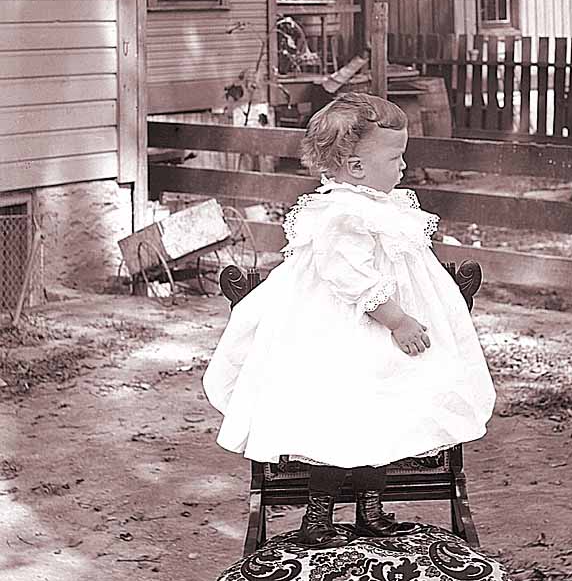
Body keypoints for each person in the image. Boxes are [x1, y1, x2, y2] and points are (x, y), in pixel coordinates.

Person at [203, 91, 496, 547]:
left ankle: (370, 511)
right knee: (335, 421)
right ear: (356, 167)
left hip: (381, 350)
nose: (403, 167)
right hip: (341, 336)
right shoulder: (342, 214)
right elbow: (349, 275)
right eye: (395, 157)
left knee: (383, 417)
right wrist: (397, 319)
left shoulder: (387, 207)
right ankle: (317, 517)